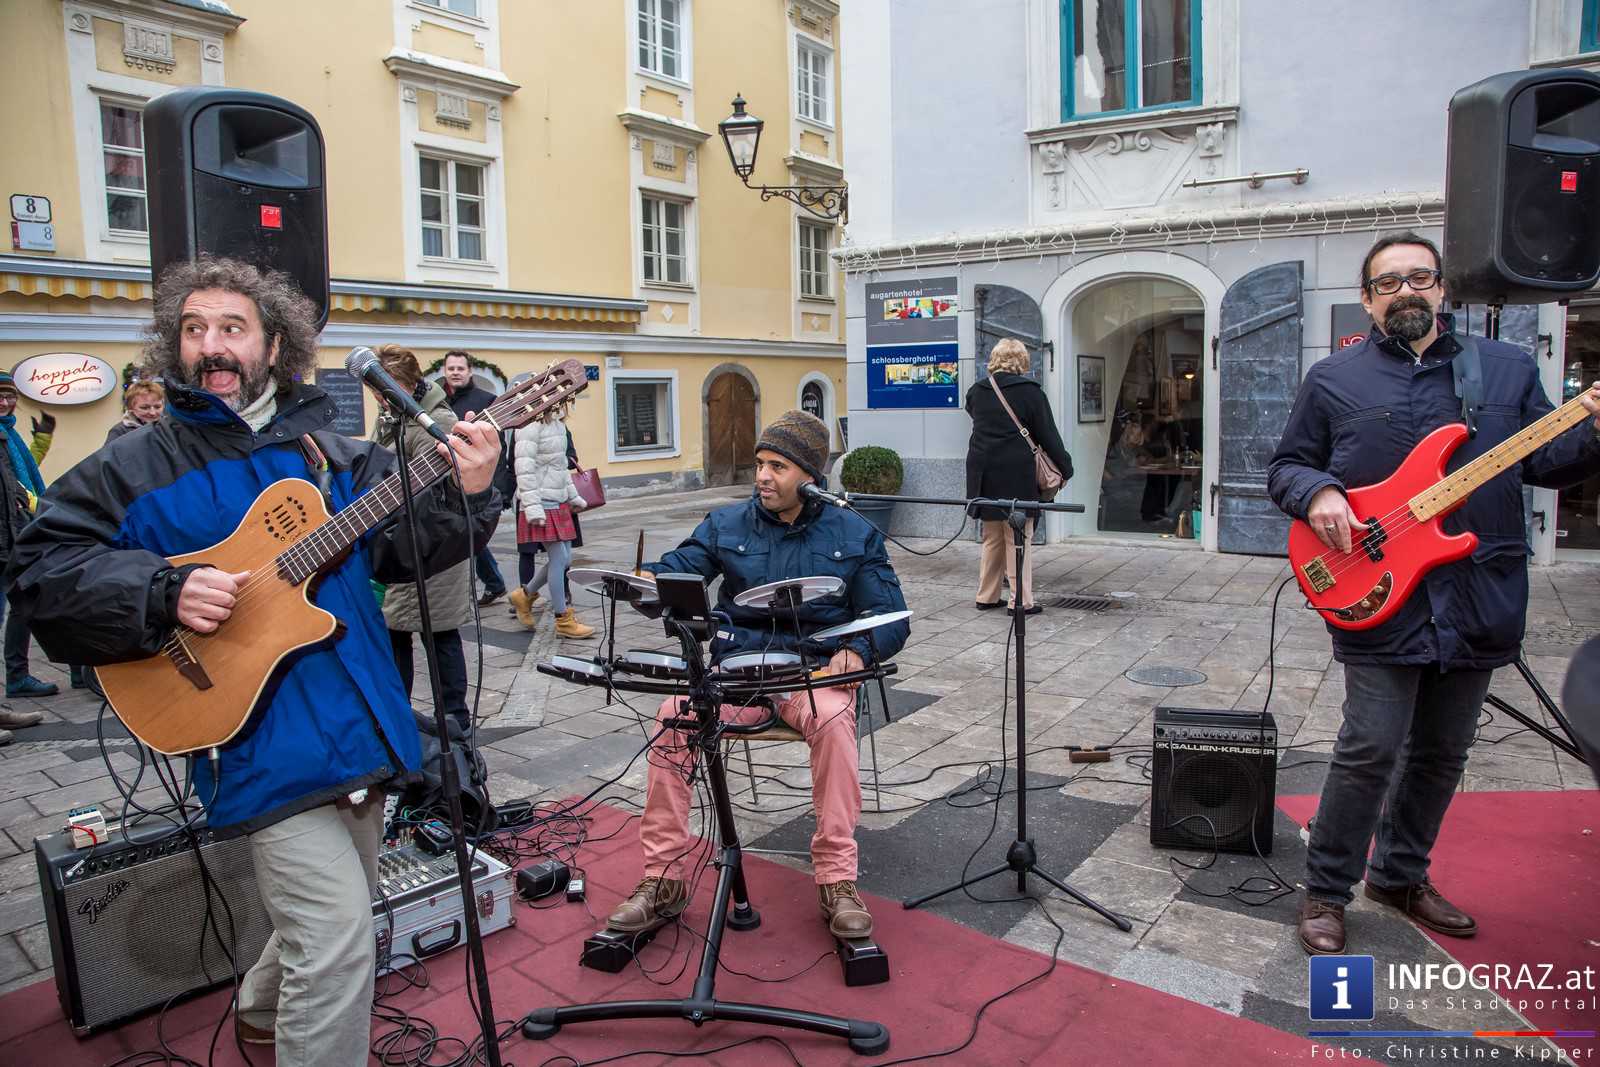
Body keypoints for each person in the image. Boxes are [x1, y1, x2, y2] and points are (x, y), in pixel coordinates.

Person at [3, 256, 501, 1066]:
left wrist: (473, 489)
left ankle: (264, 1015)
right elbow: (38, 569)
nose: (212, 346)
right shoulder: (138, 462)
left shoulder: (332, 452)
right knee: (339, 940)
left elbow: (414, 547)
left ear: (275, 342)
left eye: (231, 328)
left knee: (334, 917)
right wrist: (161, 590)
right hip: (252, 737)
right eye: (193, 329)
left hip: (361, 725)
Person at [1268, 231, 1600, 956]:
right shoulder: (1334, 379)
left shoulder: (1507, 369)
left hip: (1477, 593)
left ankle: (1400, 873)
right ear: (1366, 298)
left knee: (1443, 752)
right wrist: (1318, 491)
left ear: (1443, 289)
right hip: (1380, 594)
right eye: (1388, 283)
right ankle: (1327, 889)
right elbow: (1287, 465)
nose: (1405, 291)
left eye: (1420, 277)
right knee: (1369, 746)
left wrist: (1594, 430)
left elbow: (1547, 460)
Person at [607, 410, 910, 941]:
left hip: (812, 670)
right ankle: (663, 879)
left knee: (836, 721)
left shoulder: (853, 530)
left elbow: (890, 613)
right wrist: (648, 580)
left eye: (778, 466)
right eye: (760, 464)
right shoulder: (727, 523)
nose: (763, 476)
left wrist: (859, 651)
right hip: (737, 669)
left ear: (810, 477)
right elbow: (684, 566)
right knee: (672, 719)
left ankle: (836, 880)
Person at [370, 344, 474, 734]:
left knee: (441, 637)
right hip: (399, 546)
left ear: (408, 383)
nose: (379, 396)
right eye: (376, 389)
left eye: (386, 387)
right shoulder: (393, 418)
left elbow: (447, 487)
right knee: (395, 635)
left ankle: (455, 719)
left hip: (433, 551)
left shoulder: (437, 422)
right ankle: (399, 715)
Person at [964, 338, 1072, 615]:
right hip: (1016, 472)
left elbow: (976, 418)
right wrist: (1065, 467)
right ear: (1022, 361)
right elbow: (1048, 435)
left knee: (992, 537)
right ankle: (1020, 601)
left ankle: (986, 596)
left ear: (995, 359)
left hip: (983, 472)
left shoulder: (977, 391)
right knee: (1018, 538)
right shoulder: (1031, 392)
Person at [508, 387, 592, 638]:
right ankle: (563, 619)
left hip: (557, 499)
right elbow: (523, 470)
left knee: (565, 559)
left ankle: (524, 595)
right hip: (540, 501)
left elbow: (559, 467)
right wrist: (532, 507)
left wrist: (573, 496)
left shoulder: (557, 425)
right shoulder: (528, 428)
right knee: (558, 560)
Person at [0, 371, 59, 698]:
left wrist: (42, 441)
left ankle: (18, 677)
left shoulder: (10, 434)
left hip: (18, 532)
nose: (6, 402)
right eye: (0, 396)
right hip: (5, 535)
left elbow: (21, 474)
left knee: (24, 607)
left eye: (10, 397)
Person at [441, 349, 508, 607]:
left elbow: (498, 449)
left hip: (479, 482)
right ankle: (493, 583)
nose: (455, 372)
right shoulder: (441, 402)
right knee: (466, 536)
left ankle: (492, 583)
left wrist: (500, 487)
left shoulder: (486, 400)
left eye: (460, 368)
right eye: (451, 368)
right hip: (449, 481)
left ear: (470, 371)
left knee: (469, 535)